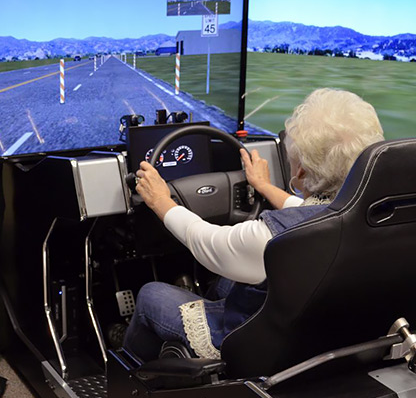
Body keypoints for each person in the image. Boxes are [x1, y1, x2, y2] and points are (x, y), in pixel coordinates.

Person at [123, 88, 384, 361]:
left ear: (301, 171)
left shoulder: (274, 239)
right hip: (330, 332)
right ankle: (198, 307)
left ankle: (131, 387)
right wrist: (264, 187)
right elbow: (312, 211)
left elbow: (206, 241)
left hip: (263, 347)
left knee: (150, 294)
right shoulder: (371, 211)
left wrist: (162, 201)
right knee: (228, 280)